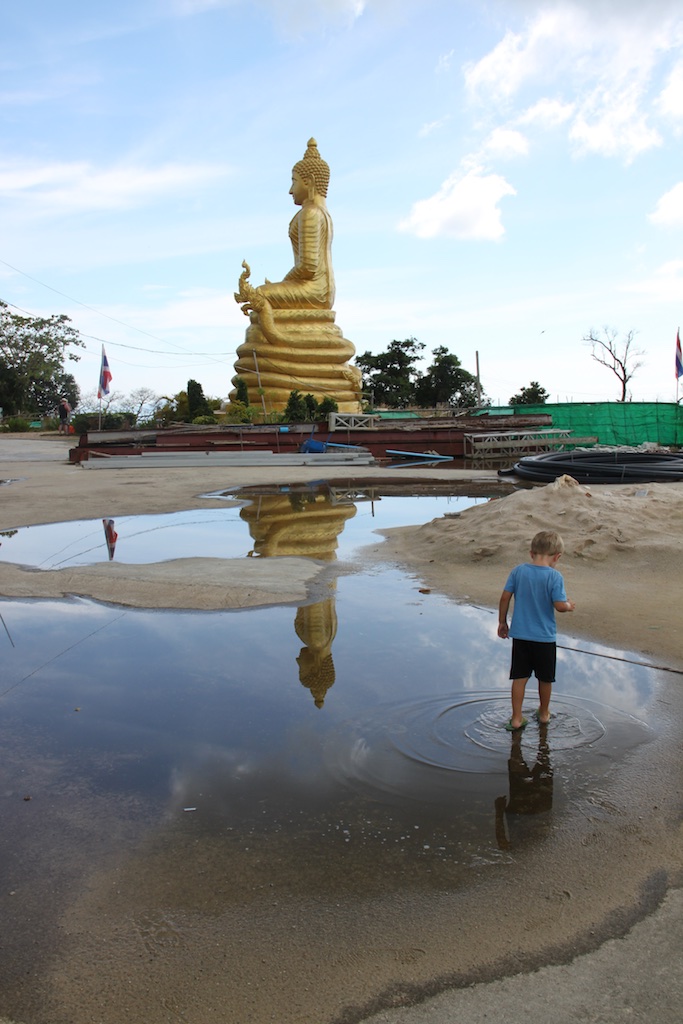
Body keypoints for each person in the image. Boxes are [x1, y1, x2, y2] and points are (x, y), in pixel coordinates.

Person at [497, 530, 575, 731]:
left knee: (519, 678)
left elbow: (505, 597)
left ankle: (516, 718)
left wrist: (502, 622)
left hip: (521, 637)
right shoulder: (555, 577)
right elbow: (559, 605)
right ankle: (544, 713)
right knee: (545, 678)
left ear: (532, 553)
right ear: (557, 557)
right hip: (544, 638)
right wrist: (568, 605)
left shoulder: (518, 571)